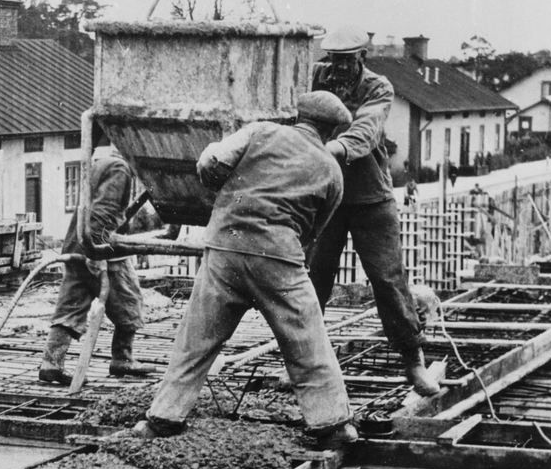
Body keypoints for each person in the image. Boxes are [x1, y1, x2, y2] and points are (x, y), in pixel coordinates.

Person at [135, 91, 358, 449]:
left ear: (299, 116)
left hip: (225, 247)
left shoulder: (260, 132)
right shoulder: (331, 170)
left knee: (197, 338)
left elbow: (211, 161)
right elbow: (315, 230)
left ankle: (162, 418)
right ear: (332, 131)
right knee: (307, 340)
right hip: (280, 258)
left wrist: (221, 192)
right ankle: (332, 425)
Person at [308, 26, 440, 397]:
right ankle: (304, 362)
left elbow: (366, 129)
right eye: (334, 59)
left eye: (347, 60)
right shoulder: (316, 78)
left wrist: (333, 149)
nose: (339, 67)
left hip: (371, 199)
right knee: (312, 279)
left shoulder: (378, 87)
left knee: (387, 279)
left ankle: (413, 361)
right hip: (327, 196)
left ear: (362, 57)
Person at [38, 143, 153, 385]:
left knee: (70, 307)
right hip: (100, 250)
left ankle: (51, 363)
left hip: (76, 245)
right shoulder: (120, 168)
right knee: (129, 301)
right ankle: (122, 358)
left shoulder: (102, 164)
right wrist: (96, 252)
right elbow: (103, 213)